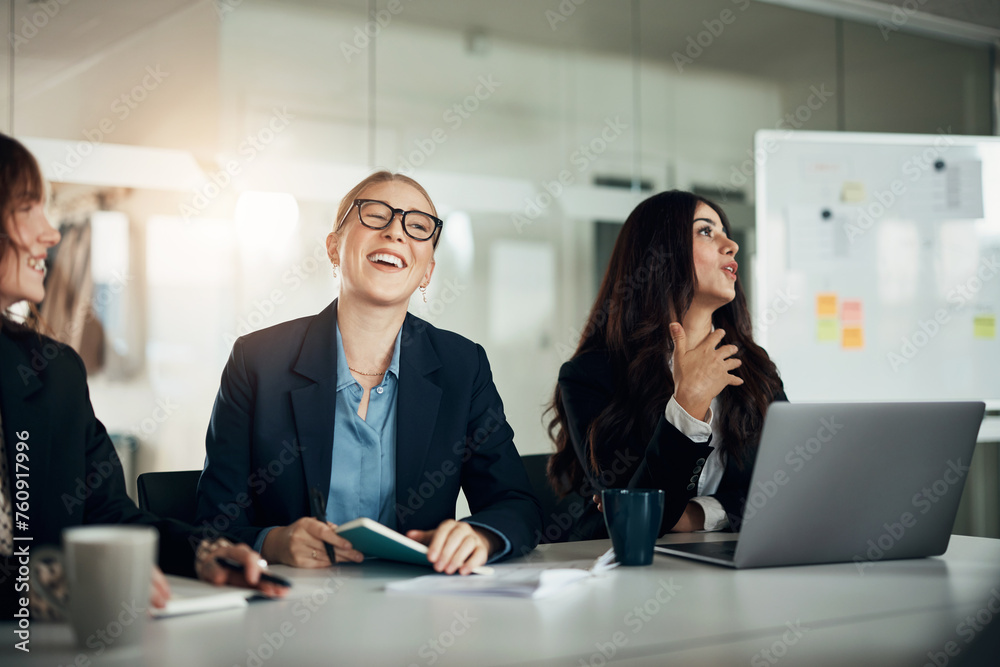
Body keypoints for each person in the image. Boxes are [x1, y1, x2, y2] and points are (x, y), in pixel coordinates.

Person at [196, 171, 542, 575]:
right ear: (333, 248)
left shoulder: (463, 366)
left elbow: (517, 505)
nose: (396, 233)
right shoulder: (256, 361)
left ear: (428, 269)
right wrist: (274, 542)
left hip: (417, 606)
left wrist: (480, 535)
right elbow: (212, 525)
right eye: (375, 216)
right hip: (288, 605)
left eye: (417, 226)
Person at [0, 134, 286, 620]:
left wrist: (199, 554)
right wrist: (39, 584)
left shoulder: (54, 372)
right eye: (28, 208)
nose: (50, 233)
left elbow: (109, 515)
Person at [546, 190, 786, 538]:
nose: (730, 244)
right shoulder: (590, 375)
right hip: (626, 571)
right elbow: (635, 515)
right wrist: (689, 402)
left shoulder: (754, 367)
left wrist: (696, 514)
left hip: (733, 563)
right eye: (706, 231)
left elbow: (787, 487)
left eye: (725, 231)